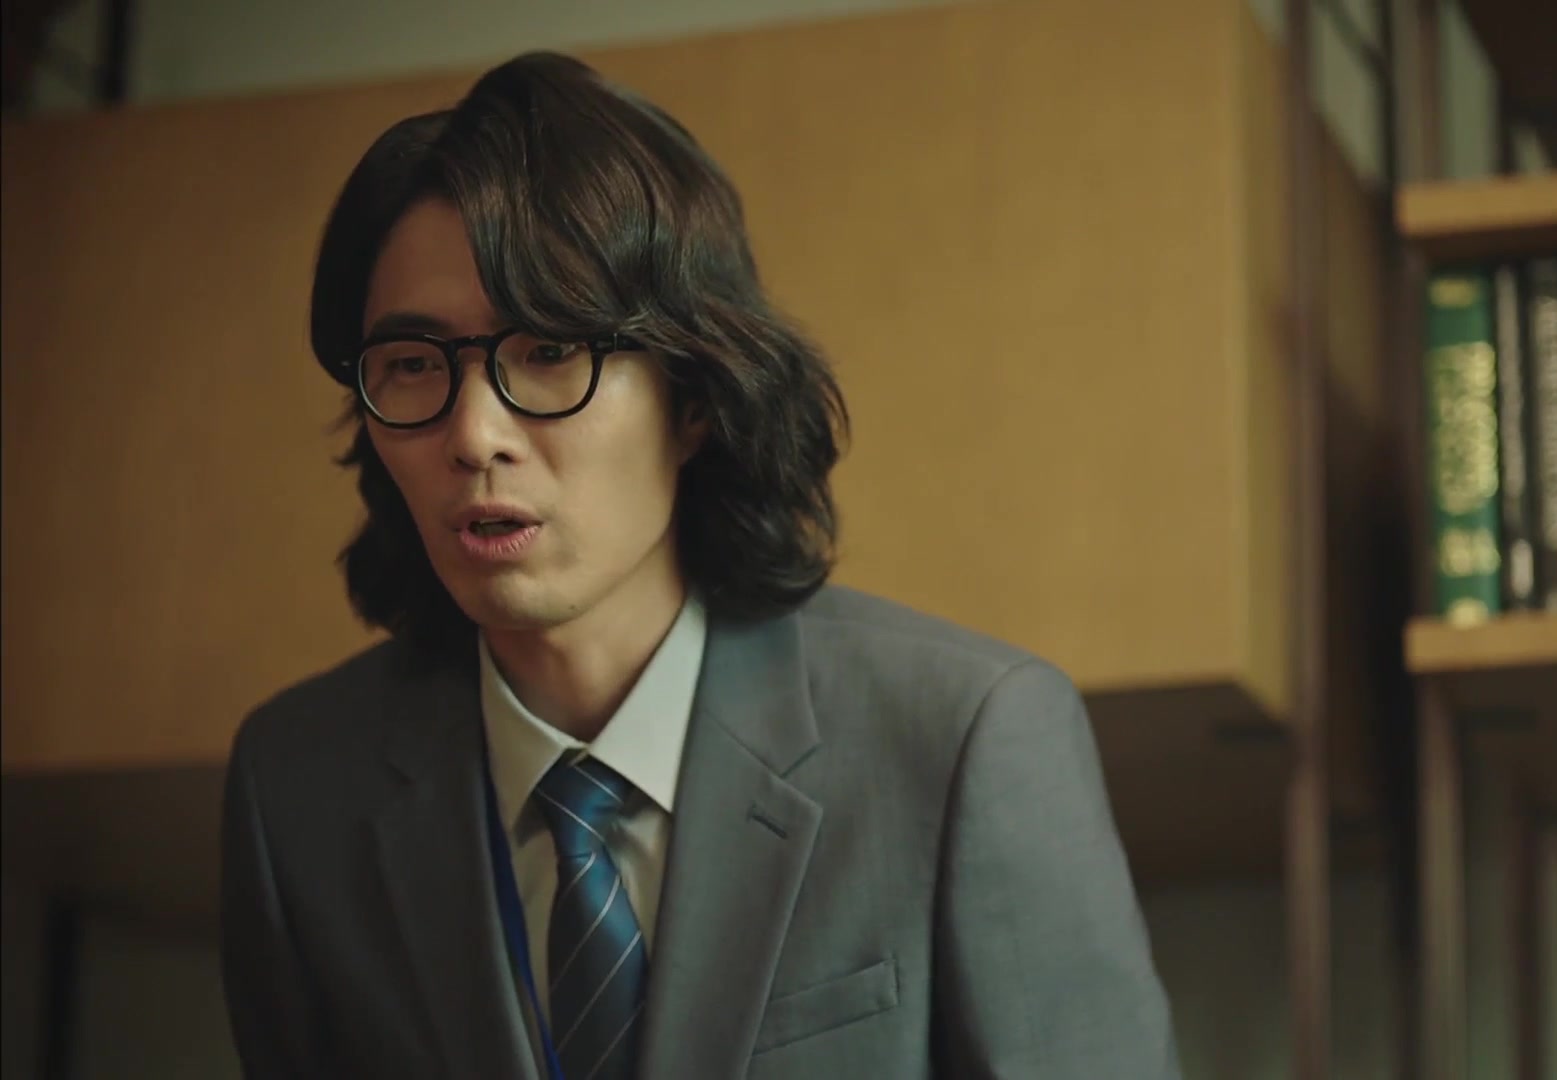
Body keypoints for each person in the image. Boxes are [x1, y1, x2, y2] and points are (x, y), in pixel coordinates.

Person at [218, 50, 1181, 1080]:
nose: (475, 436)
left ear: (694, 399)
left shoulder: (964, 739)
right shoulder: (299, 788)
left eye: (550, 351)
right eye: (412, 366)